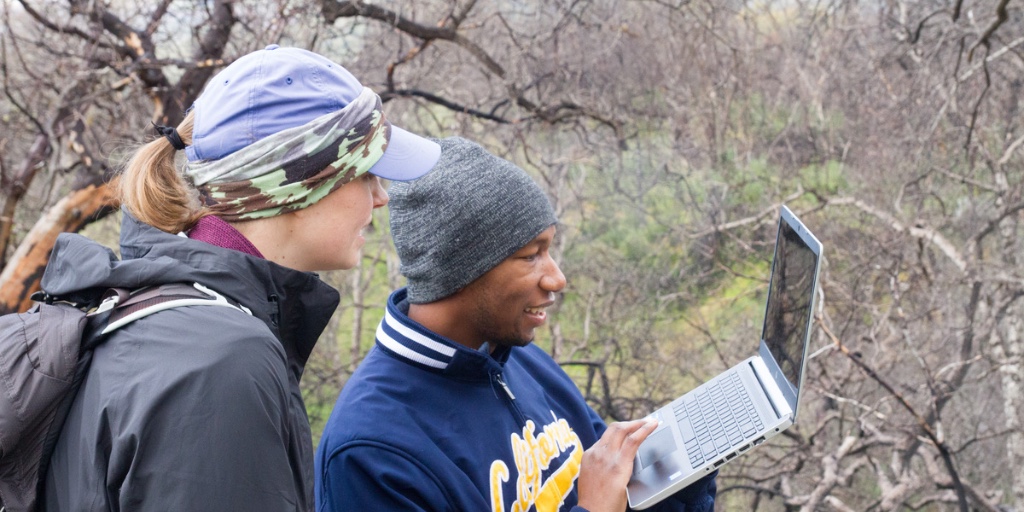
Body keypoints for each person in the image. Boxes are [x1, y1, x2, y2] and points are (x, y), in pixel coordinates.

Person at [41, 45, 440, 511]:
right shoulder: (221, 363)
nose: (381, 197)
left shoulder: (162, 305)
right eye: (368, 173)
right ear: (297, 183)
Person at [315, 137, 716, 512]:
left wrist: (689, 463)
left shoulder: (517, 360)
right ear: (461, 270)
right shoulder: (371, 452)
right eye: (531, 256)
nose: (556, 278)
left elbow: (612, 480)